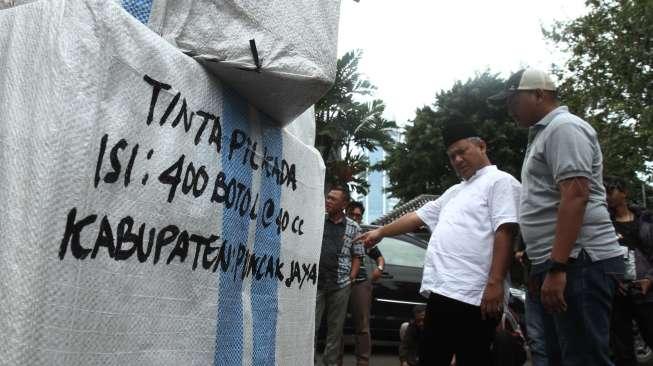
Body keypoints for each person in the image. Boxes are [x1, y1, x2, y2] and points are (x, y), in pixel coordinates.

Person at [356, 122, 521, 366]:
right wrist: (381, 231)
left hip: (476, 294)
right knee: (432, 358)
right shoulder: (454, 192)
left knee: (472, 358)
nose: (457, 159)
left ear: (481, 146)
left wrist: (495, 282)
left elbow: (505, 231)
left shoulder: (500, 182)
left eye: (462, 151)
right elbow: (417, 217)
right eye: (452, 156)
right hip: (442, 290)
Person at [489, 68, 624, 365]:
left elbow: (575, 196)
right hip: (552, 263)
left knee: (583, 357)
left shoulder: (564, 128)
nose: (508, 108)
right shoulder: (542, 133)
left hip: (579, 262)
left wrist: (558, 266)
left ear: (538, 94)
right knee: (553, 355)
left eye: (513, 100)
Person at [604, 177, 653, 366]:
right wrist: (612, 281)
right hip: (618, 293)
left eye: (611, 190)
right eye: (604, 192)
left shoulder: (646, 219)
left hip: (646, 292)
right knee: (622, 350)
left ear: (624, 192)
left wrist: (650, 279)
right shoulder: (603, 225)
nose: (607, 196)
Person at [315, 186, 364, 366]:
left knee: (335, 331)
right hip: (317, 281)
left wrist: (351, 277)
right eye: (328, 198)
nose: (328, 201)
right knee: (312, 327)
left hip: (341, 284)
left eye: (333, 199)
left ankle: (330, 363)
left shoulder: (353, 227)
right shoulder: (318, 220)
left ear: (344, 204)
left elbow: (358, 255)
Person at [339, 201, 385, 366]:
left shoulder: (364, 236)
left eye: (358, 215)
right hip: (339, 283)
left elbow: (379, 257)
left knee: (362, 324)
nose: (355, 217)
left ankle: (363, 361)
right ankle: (336, 361)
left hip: (360, 283)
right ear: (346, 213)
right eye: (352, 214)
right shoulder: (338, 229)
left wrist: (379, 268)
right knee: (337, 324)